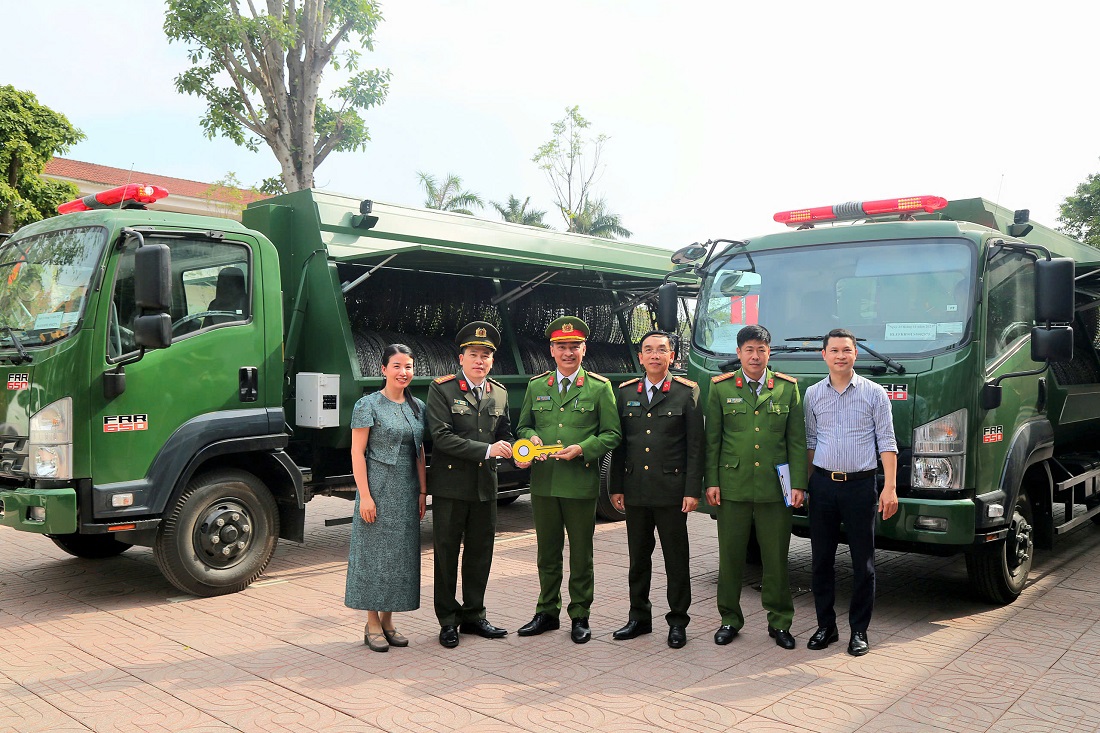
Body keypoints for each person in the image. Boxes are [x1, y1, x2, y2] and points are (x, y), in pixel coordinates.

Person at [515, 315, 621, 643]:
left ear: (584, 349)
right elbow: (523, 426)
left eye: (574, 346)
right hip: (544, 483)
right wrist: (530, 439)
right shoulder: (537, 386)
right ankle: (547, 612)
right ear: (552, 350)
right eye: (561, 346)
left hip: (579, 482)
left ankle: (580, 615)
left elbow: (612, 434)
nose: (568, 352)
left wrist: (584, 449)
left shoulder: (599, 388)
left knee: (580, 555)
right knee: (547, 553)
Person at [705, 324, 807, 649]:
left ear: (769, 352)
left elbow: (796, 441)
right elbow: (712, 441)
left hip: (775, 490)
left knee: (776, 559)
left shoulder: (787, 388)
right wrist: (712, 482)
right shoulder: (720, 388)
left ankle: (780, 622)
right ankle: (729, 619)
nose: (755, 356)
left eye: (761, 350)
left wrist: (799, 484)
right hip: (732, 487)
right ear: (738, 353)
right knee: (730, 558)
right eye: (749, 350)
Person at [804, 328, 898, 657]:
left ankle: (859, 630)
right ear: (824, 355)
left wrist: (890, 487)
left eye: (846, 350)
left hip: (861, 486)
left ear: (855, 354)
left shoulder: (874, 393)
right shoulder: (813, 394)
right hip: (823, 485)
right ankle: (825, 626)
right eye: (834, 350)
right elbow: (811, 442)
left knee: (863, 563)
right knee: (821, 561)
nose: (840, 356)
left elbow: (887, 442)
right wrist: (806, 485)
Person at [609, 330, 703, 648]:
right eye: (648, 350)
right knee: (638, 559)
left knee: (676, 560)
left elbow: (695, 447)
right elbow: (620, 445)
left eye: (661, 350)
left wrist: (692, 490)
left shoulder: (686, 392)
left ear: (671, 356)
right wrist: (616, 486)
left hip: (672, 492)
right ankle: (639, 618)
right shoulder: (625, 393)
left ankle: (678, 621)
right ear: (640, 357)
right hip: (636, 490)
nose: (654, 355)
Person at [426, 321, 514, 649]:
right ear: (461, 358)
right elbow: (442, 437)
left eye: (485, 356)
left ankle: (475, 615)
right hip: (451, 487)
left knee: (480, 553)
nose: (479, 360)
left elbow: (505, 433)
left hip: (484, 487)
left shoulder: (499, 392)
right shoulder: (442, 389)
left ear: (492, 361)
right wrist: (488, 450)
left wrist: (519, 451)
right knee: (446, 554)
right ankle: (448, 620)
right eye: (473, 354)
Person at [345, 344, 428, 653]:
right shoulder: (367, 405)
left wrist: (423, 491)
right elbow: (357, 452)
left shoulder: (418, 406)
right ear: (383, 369)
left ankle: (389, 620)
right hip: (377, 488)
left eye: (408, 366)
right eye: (397, 366)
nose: (403, 372)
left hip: (407, 490)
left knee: (400, 556)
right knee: (373, 556)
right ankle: (372, 623)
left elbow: (419, 451)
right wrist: (365, 496)